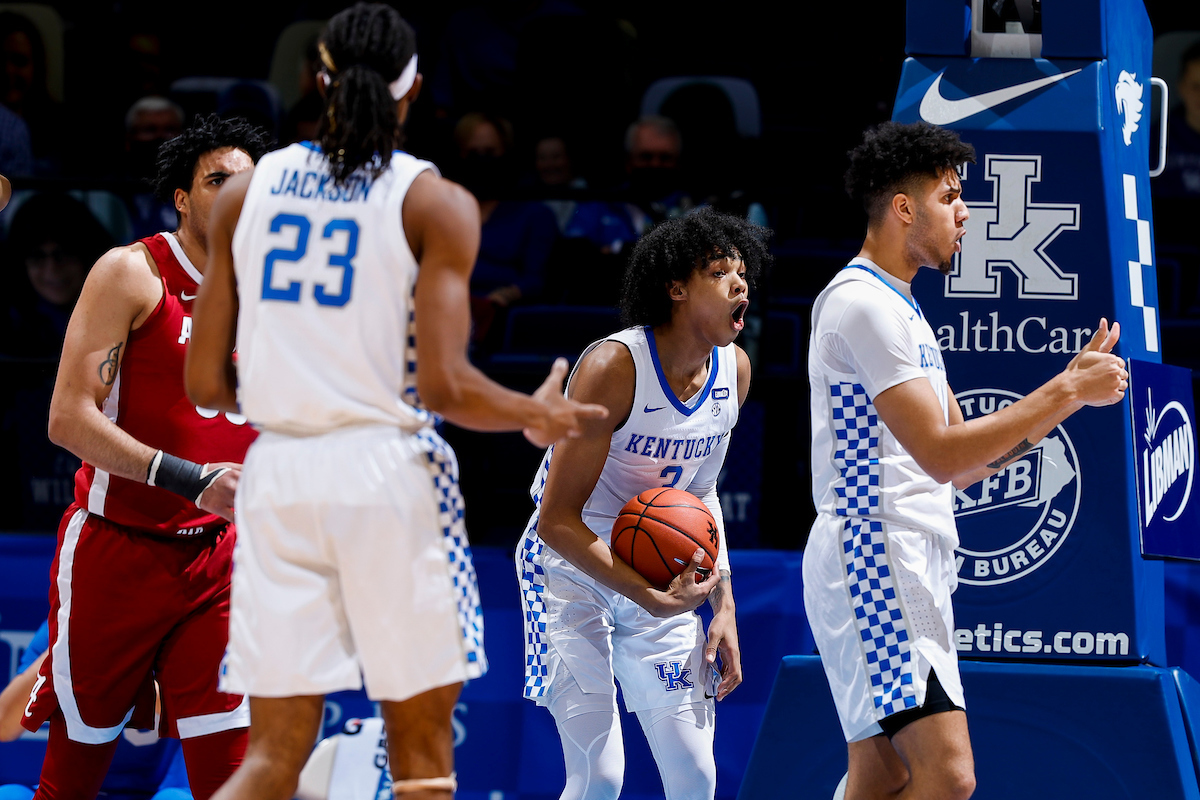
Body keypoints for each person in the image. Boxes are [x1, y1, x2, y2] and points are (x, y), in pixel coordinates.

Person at [183, 5, 607, 800]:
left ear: (319, 82)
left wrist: (292, 393)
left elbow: (205, 384)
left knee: (271, 759)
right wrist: (530, 412)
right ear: (416, 92)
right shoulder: (433, 201)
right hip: (385, 473)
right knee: (421, 761)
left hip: (278, 473)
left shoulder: (243, 192)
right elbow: (447, 385)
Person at [804, 121, 1128, 800]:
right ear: (903, 208)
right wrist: (1065, 388)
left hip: (905, 553)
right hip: (875, 549)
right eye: (950, 196)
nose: (966, 212)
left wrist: (1064, 401)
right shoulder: (863, 305)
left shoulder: (906, 311)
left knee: (880, 776)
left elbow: (968, 465)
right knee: (948, 776)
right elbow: (942, 452)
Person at [20, 114, 272, 800]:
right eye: (217, 180)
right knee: (75, 776)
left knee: (230, 776)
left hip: (221, 558)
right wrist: (191, 480)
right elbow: (66, 418)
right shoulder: (132, 274)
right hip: (117, 553)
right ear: (183, 198)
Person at [516, 206, 767, 800]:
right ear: (676, 288)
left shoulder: (736, 369)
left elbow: (700, 495)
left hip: (662, 572)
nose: (741, 284)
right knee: (600, 779)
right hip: (571, 571)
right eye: (721, 273)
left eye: (744, 274)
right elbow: (555, 521)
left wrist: (721, 603)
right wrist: (650, 597)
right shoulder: (614, 366)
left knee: (696, 778)